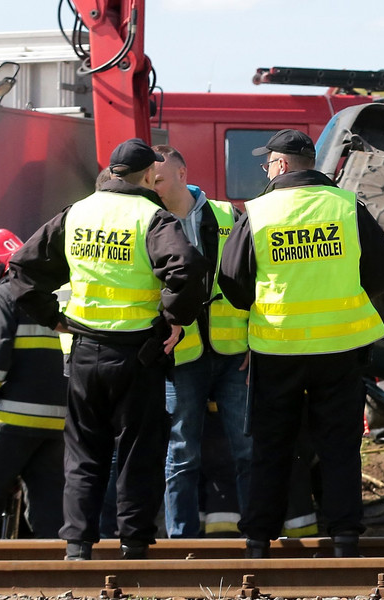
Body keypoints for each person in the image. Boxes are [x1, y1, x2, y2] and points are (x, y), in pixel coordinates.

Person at [9, 138, 209, 560]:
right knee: (137, 450)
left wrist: (53, 317)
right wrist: (175, 319)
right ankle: (134, 544)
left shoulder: (77, 212)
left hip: (84, 350)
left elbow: (23, 268)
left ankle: (78, 545)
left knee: (84, 453)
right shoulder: (152, 217)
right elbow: (187, 268)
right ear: (149, 175)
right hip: (137, 353)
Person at [218, 128, 384, 559]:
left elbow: (232, 281)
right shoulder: (348, 207)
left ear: (278, 165)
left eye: (267, 164)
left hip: (278, 348)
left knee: (271, 446)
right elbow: (379, 276)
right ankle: (345, 538)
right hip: (342, 347)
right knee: (339, 445)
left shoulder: (258, 212)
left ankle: (259, 540)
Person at [150, 144, 252, 538]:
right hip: (183, 356)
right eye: (148, 181)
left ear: (182, 173)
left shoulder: (229, 214)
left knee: (246, 449)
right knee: (181, 452)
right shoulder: (151, 221)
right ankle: (181, 538)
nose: (153, 186)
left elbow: (256, 282)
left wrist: (254, 344)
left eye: (158, 179)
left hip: (233, 354)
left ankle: (256, 534)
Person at [0, 229, 66, 539]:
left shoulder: (4, 295)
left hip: (15, 417)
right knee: (49, 499)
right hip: (58, 420)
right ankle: (55, 569)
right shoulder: (49, 293)